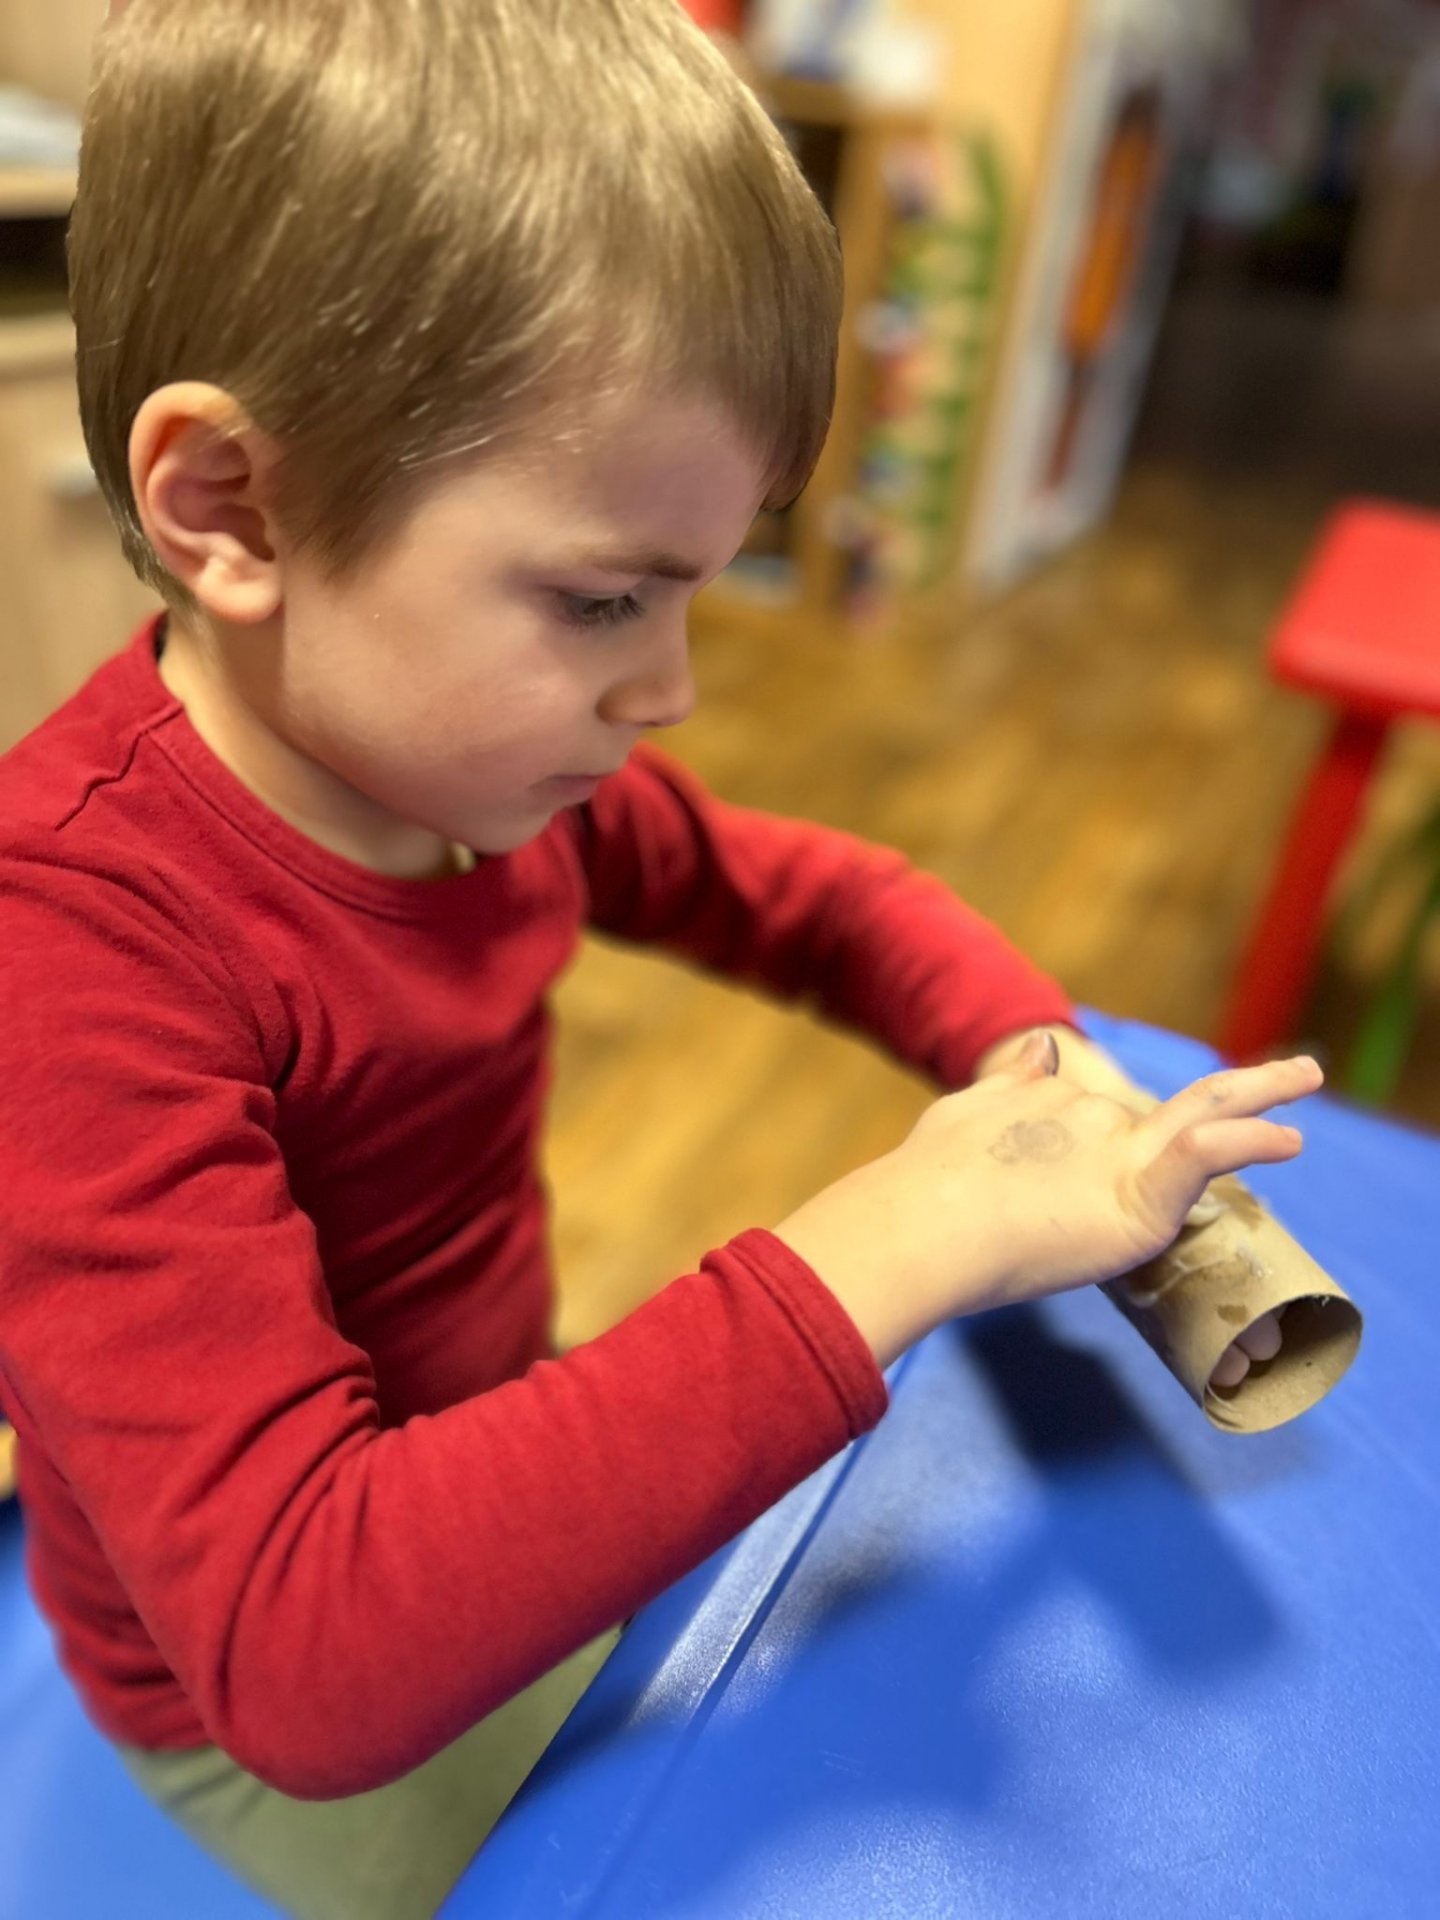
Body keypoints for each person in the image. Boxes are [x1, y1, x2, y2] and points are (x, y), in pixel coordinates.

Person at [0, 3, 1315, 1915]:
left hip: (474, 1473)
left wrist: (1039, 1066)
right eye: (606, 596)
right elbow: (305, 1648)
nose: (673, 688)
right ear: (234, 506)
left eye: (697, 586)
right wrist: (905, 1235)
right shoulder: (67, 956)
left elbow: (825, 901)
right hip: (262, 1699)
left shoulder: (468, 766)